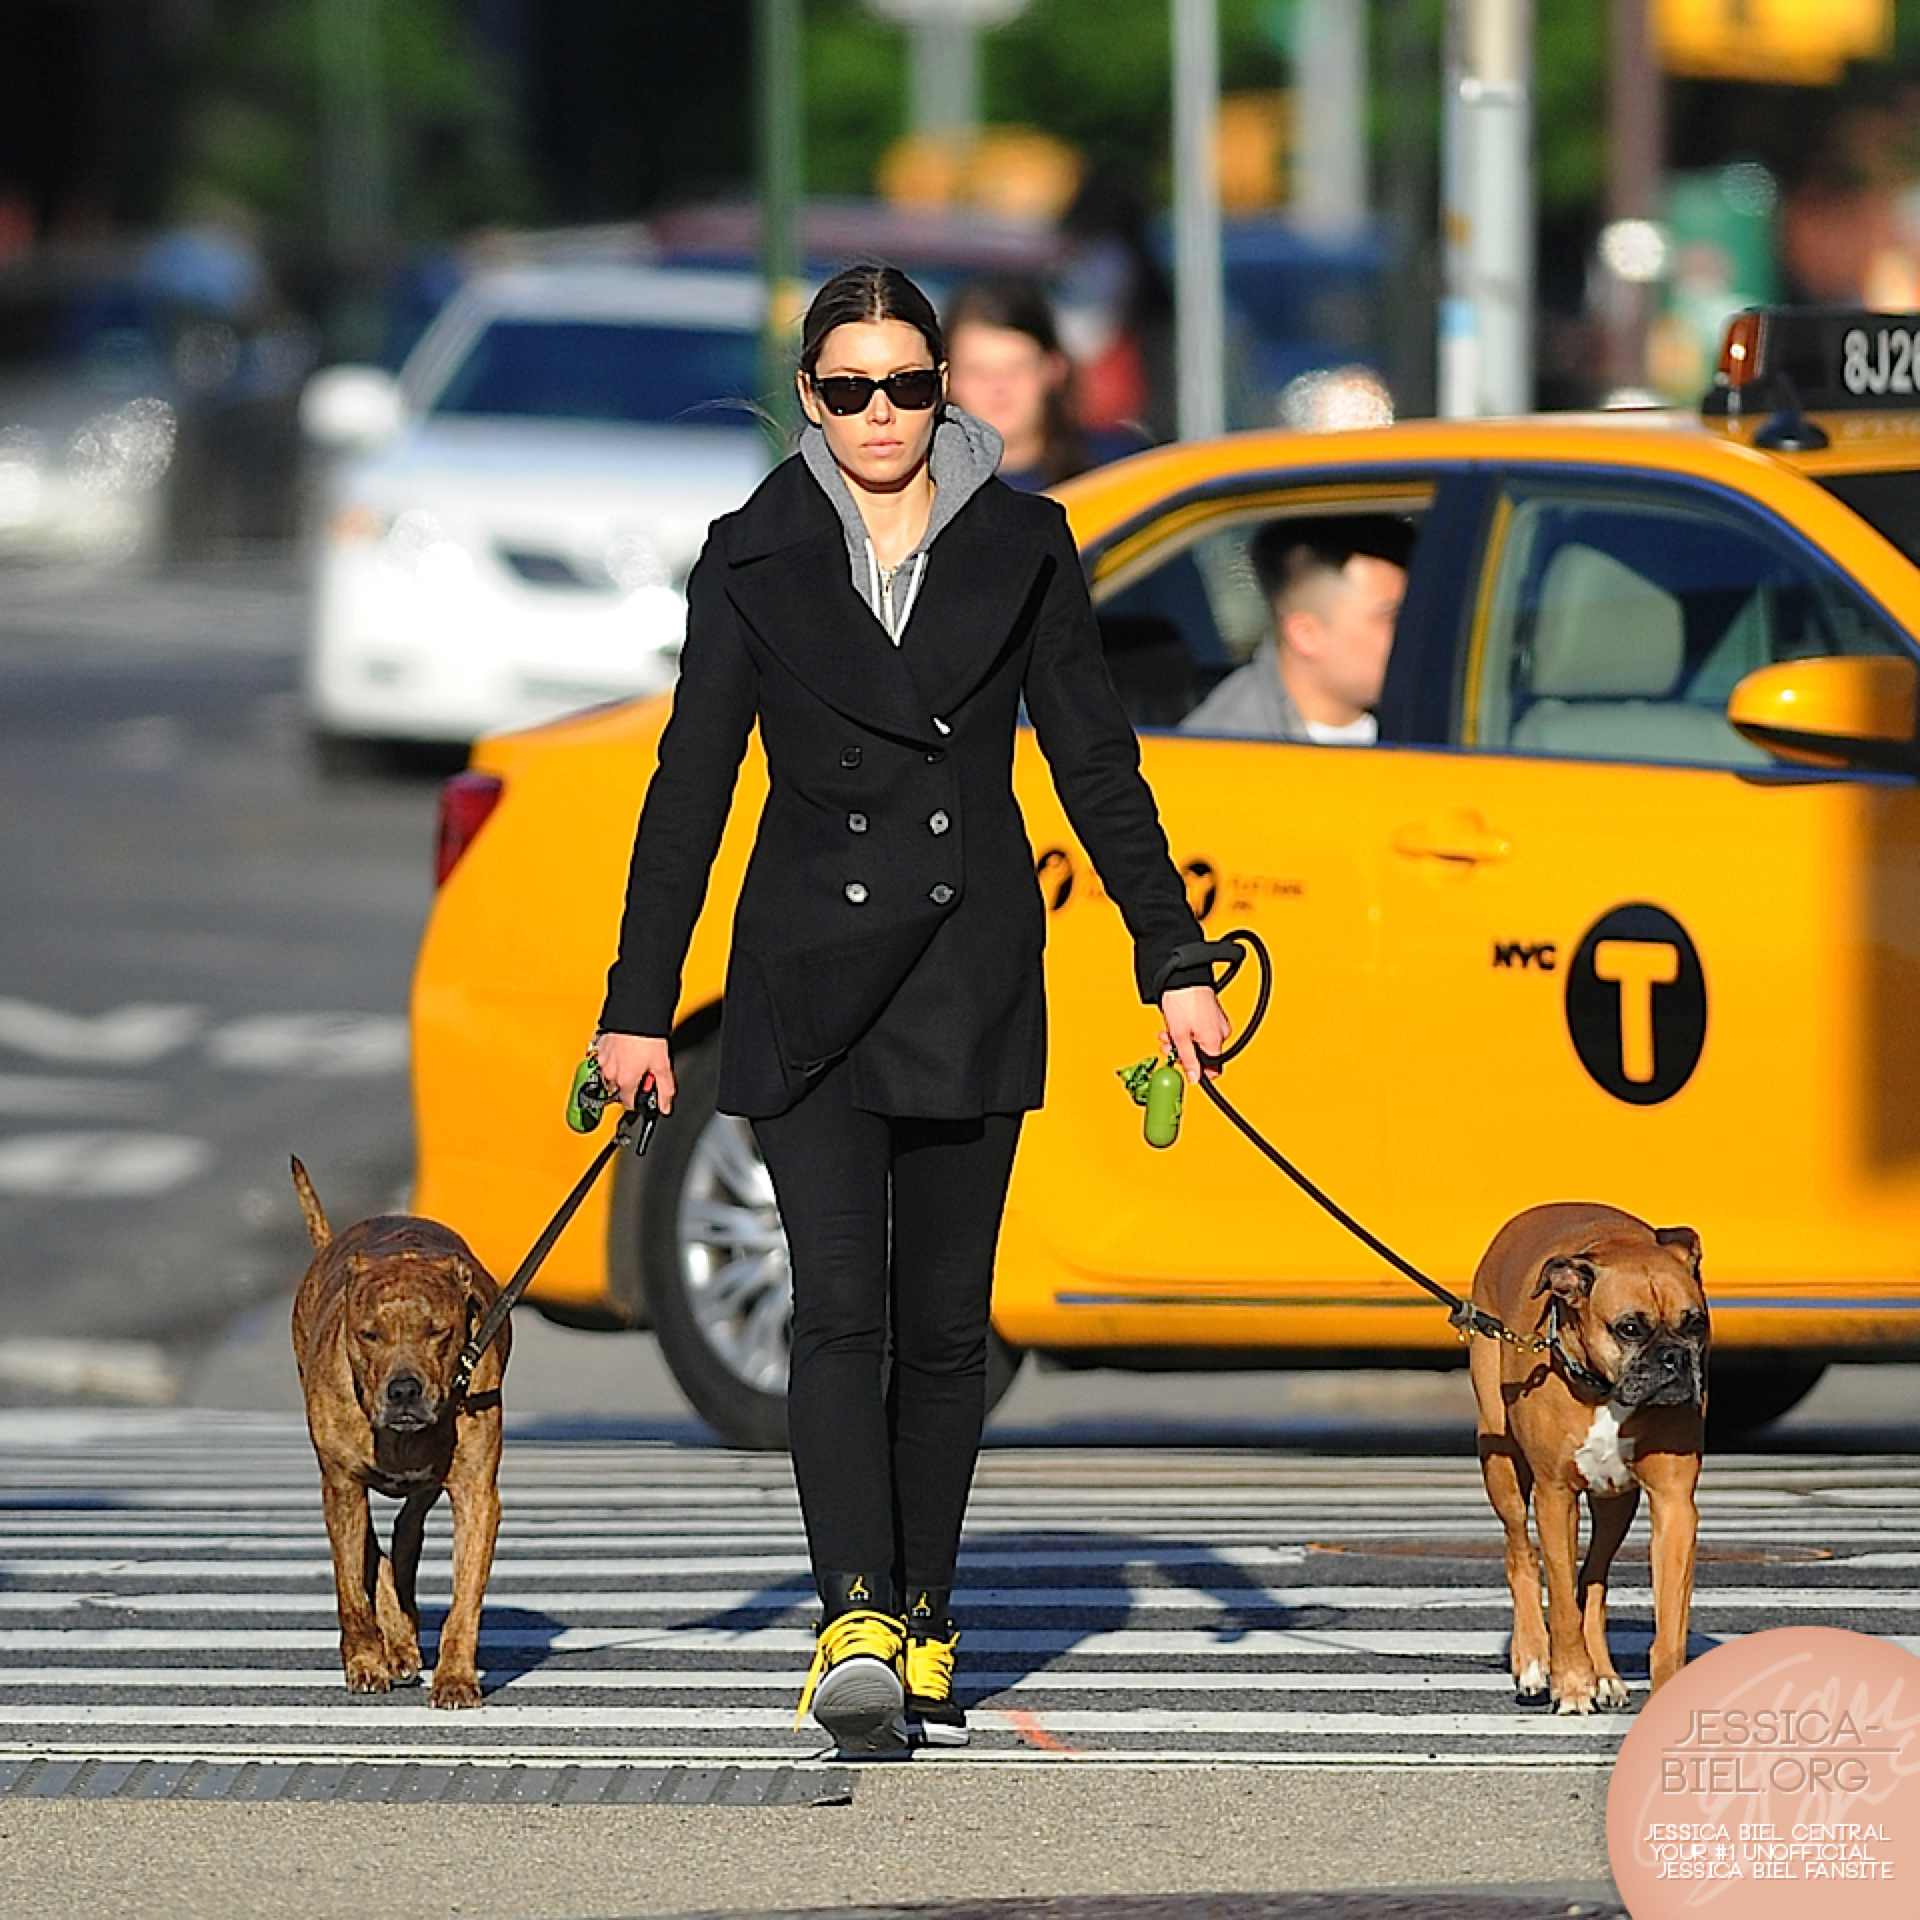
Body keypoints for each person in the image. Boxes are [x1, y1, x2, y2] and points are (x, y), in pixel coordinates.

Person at [591, 262, 1231, 1754]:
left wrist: (1176, 962)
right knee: (840, 1311)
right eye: (849, 387)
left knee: (948, 1328)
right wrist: (635, 1010)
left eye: (910, 384)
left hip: (966, 970)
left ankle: (930, 1610)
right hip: (807, 979)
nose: (882, 413)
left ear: (949, 389)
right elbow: (689, 788)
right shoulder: (749, 554)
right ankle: (855, 1616)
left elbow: (1095, 766)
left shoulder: (1025, 541)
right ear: (810, 398)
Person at [1178, 515, 1415, 743]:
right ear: (1306, 635)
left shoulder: (1430, 714)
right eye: (1391, 617)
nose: (1414, 630)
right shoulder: (1226, 752)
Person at [942, 273, 1149, 491]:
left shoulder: (1120, 468)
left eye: (1016, 368)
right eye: (978, 372)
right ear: (948, 379)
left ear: (1053, 369)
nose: (998, 388)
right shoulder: (920, 496)